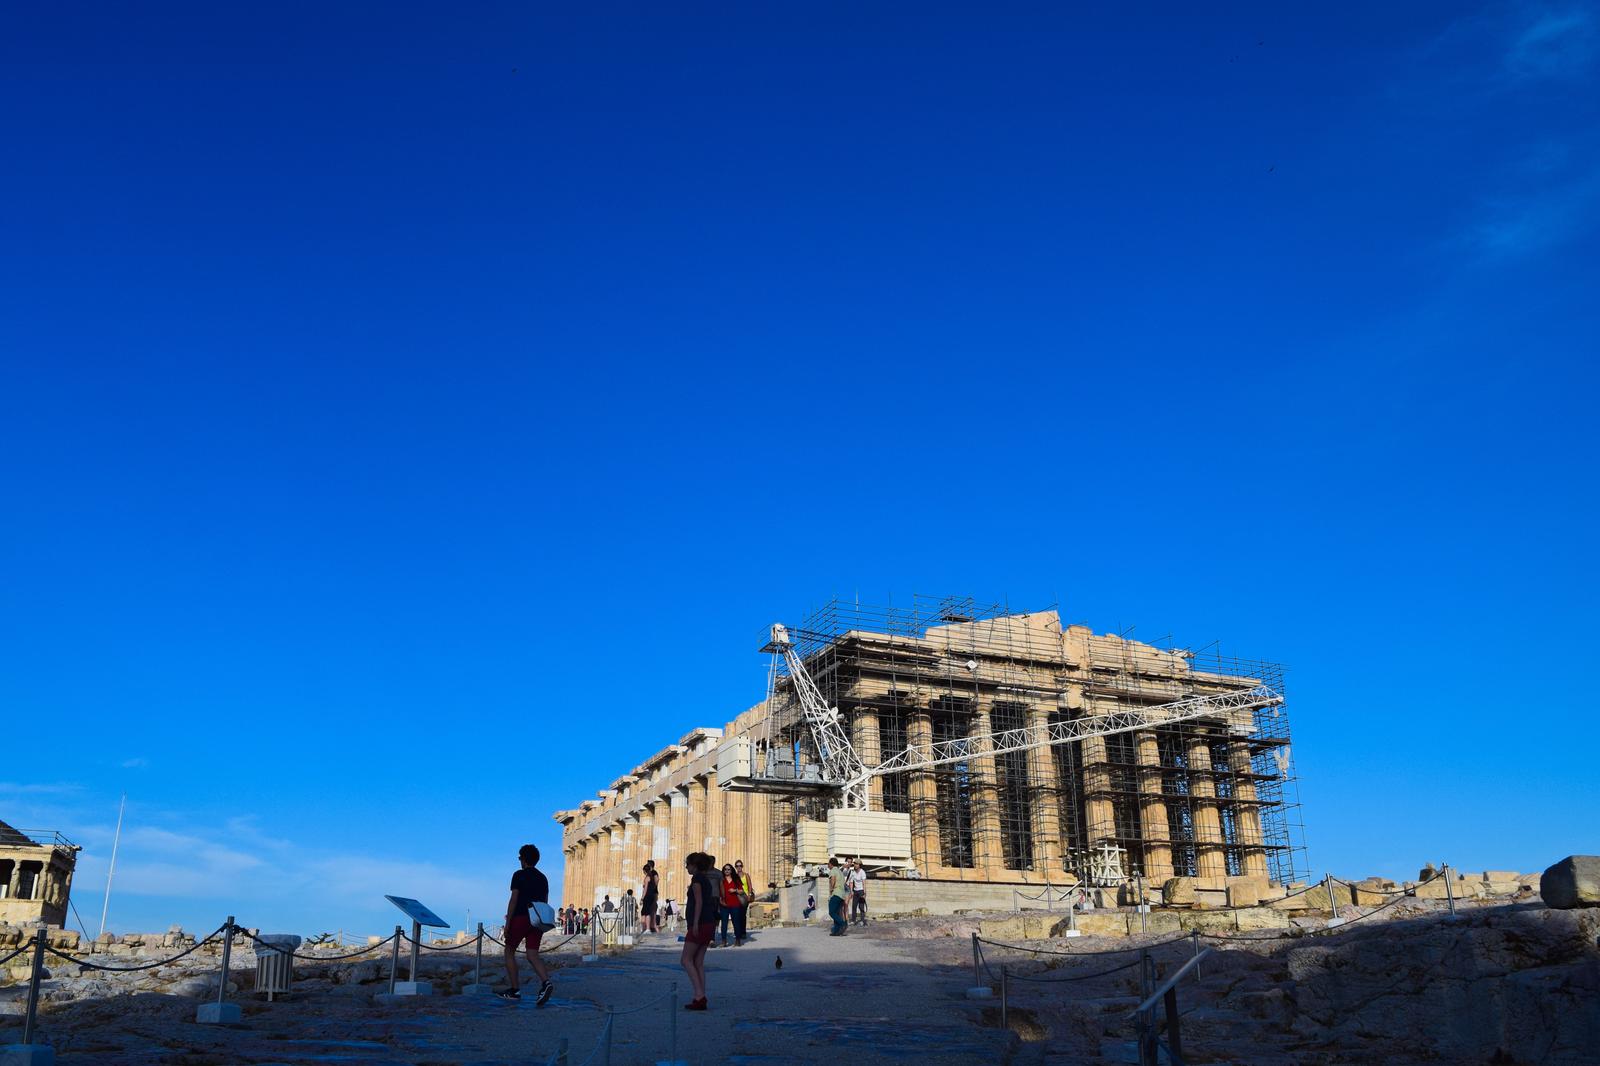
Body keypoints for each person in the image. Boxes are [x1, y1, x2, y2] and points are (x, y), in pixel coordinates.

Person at [498, 844, 553, 1004]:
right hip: (537, 920)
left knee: (509, 951)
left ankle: (515, 990)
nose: (519, 860)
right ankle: (546, 983)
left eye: (520, 857)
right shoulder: (543, 878)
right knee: (532, 954)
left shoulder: (519, 875)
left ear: (523, 858)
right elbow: (545, 901)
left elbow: (514, 899)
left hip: (521, 916)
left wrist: (507, 924)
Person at [680, 851, 717, 1010]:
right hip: (709, 923)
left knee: (686, 960)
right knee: (698, 962)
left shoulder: (696, 880)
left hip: (700, 923)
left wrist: (694, 924)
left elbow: (699, 902)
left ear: (694, 865)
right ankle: (701, 996)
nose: (686, 867)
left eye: (687, 864)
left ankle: (699, 995)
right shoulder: (706, 880)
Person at [717, 863, 743, 946]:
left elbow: (741, 891)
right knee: (724, 923)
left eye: (728, 869)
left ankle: (738, 940)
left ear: (731, 870)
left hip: (735, 904)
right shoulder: (721, 880)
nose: (727, 871)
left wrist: (734, 890)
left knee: (736, 922)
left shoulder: (736, 879)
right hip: (724, 904)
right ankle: (723, 941)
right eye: (725, 869)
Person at [732, 859, 754, 944]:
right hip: (737, 897)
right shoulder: (734, 876)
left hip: (745, 897)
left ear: (742, 866)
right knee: (737, 915)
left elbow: (749, 886)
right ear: (735, 867)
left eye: (740, 865)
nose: (739, 867)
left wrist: (749, 895)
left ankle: (743, 932)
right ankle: (738, 932)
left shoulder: (746, 875)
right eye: (737, 866)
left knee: (743, 915)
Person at [826, 856, 849, 936]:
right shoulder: (840, 872)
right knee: (836, 913)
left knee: (831, 912)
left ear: (831, 864)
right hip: (842, 895)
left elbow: (833, 879)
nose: (827, 865)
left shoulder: (833, 871)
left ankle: (843, 924)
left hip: (836, 894)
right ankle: (836, 931)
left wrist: (831, 889)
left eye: (828, 864)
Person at [641, 860, 660, 933]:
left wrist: (653, 887)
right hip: (652, 894)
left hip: (651, 894)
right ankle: (650, 927)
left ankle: (648, 928)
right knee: (650, 911)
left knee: (648, 912)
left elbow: (657, 880)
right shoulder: (651, 874)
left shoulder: (652, 873)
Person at [850, 858, 868, 926]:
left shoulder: (862, 872)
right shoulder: (853, 872)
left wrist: (864, 893)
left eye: (857, 864)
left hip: (861, 891)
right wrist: (851, 891)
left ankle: (862, 920)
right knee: (854, 906)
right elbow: (851, 882)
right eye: (855, 864)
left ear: (859, 865)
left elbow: (864, 883)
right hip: (855, 891)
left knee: (861, 907)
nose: (855, 865)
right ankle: (853, 920)